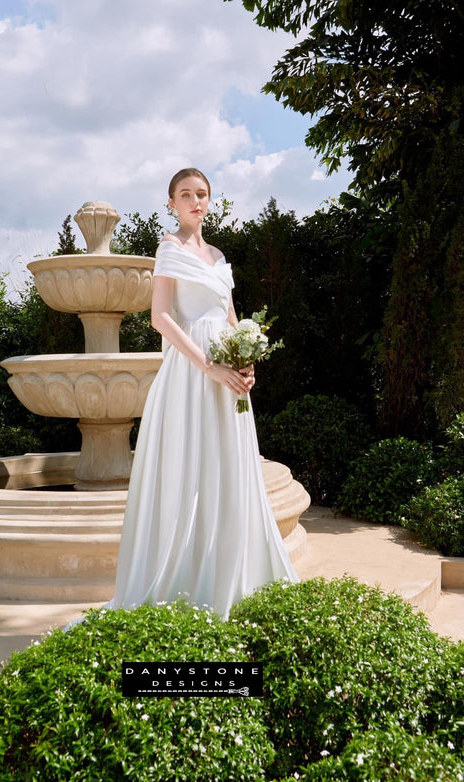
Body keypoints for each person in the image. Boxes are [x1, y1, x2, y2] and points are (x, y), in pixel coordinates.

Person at [111, 168, 299, 619]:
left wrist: (246, 360)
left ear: (209, 201)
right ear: (171, 203)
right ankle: (187, 576)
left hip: (228, 374)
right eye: (186, 194)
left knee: (228, 466)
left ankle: (232, 572)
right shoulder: (168, 248)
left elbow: (230, 317)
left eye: (202, 194)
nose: (196, 201)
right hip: (191, 375)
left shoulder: (217, 255)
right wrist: (208, 366)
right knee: (190, 468)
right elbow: (160, 317)